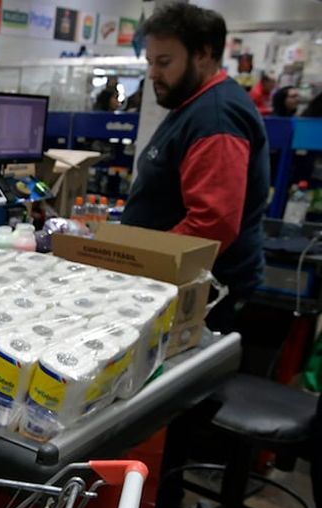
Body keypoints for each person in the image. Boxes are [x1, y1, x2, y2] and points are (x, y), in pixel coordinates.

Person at [121, 2, 268, 334]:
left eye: (164, 62)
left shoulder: (216, 118)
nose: (153, 74)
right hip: (168, 282)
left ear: (203, 53)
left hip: (199, 295)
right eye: (149, 62)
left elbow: (210, 224)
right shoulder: (193, 103)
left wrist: (136, 261)